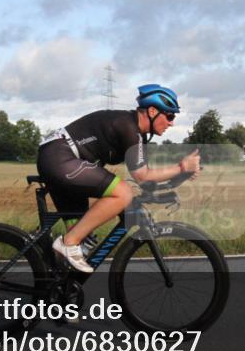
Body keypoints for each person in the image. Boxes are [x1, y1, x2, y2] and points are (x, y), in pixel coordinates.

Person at [36, 84, 201, 273]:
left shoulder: (135, 132)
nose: (172, 123)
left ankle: (53, 285)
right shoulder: (128, 127)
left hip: (62, 160)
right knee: (122, 193)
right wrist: (181, 167)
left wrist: (180, 176)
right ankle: (68, 243)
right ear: (153, 111)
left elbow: (146, 180)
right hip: (60, 157)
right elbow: (142, 175)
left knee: (83, 239)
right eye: (170, 116)